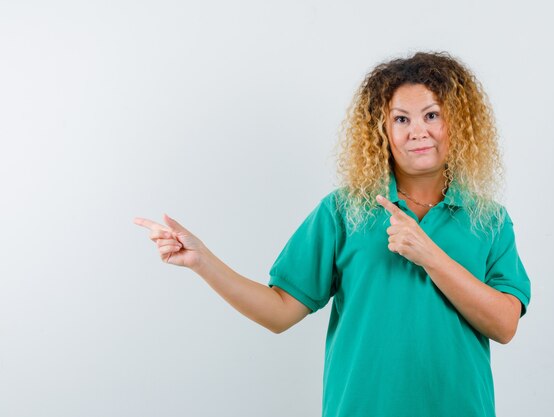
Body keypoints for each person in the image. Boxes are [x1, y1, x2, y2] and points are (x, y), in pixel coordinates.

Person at [134, 50, 531, 417]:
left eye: (432, 115)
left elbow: (504, 325)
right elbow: (279, 312)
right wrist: (203, 261)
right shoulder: (345, 211)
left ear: (457, 123)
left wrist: (430, 255)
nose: (417, 131)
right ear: (381, 130)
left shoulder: (490, 220)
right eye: (401, 119)